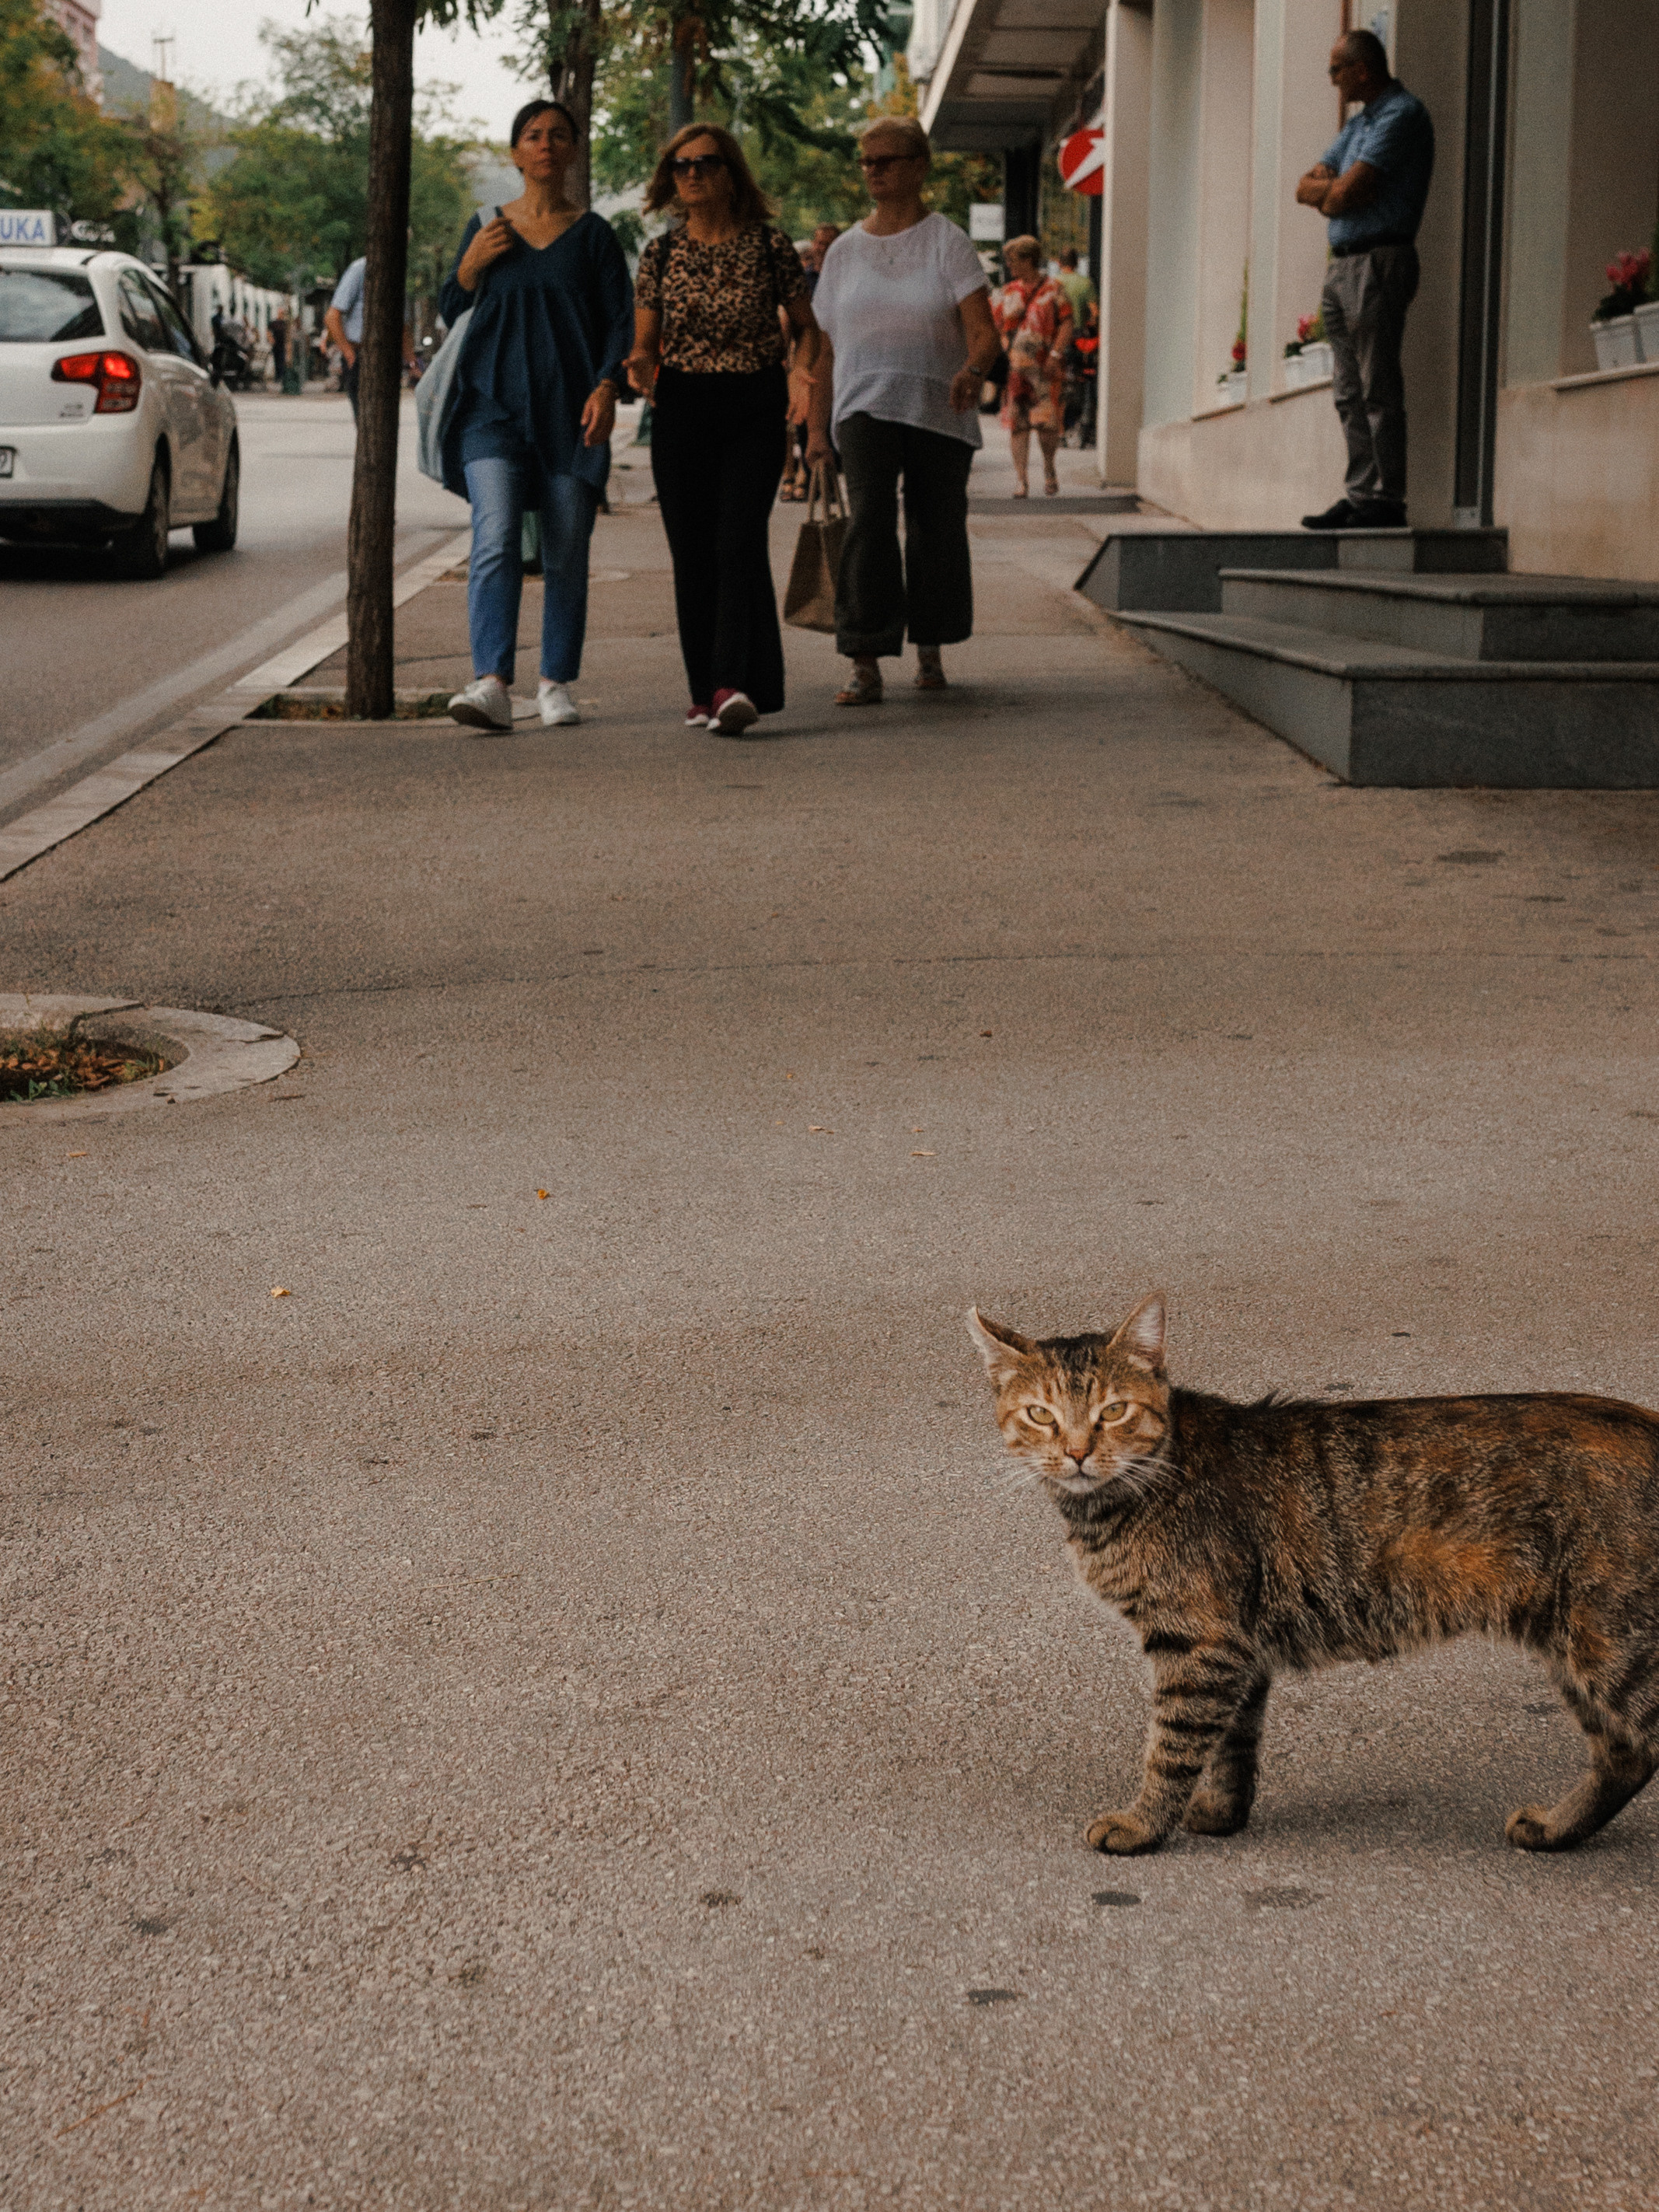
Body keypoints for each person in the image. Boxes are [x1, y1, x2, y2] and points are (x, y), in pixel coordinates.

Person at [435, 99, 633, 732]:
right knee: (493, 535)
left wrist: (606, 387)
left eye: (557, 136)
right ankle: (491, 680)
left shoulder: (595, 234)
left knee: (566, 546)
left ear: (572, 150)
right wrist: (469, 267)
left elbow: (620, 323)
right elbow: (450, 307)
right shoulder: (487, 224)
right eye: (532, 135)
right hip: (490, 408)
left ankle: (555, 680)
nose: (546, 144)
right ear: (515, 152)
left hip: (572, 414)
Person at [626, 123, 821, 737]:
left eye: (706, 163)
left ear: (731, 173)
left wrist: (802, 373)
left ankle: (732, 683)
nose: (692, 174)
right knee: (692, 550)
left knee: (737, 540)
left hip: (753, 401)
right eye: (681, 166)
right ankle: (706, 690)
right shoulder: (661, 254)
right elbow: (645, 341)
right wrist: (635, 363)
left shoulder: (769, 246)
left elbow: (809, 327)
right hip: (682, 403)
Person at [804, 117, 998, 707]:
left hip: (940, 404)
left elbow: (984, 334)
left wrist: (973, 370)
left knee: (935, 528)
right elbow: (824, 349)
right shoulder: (843, 252)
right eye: (866, 161)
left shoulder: (947, 241)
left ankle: (931, 648)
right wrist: (815, 429)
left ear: (919, 166)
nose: (874, 171)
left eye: (886, 160)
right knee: (868, 524)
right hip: (863, 404)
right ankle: (865, 658)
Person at [1295, 27, 1434, 530]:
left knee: (1377, 383)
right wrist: (1330, 191)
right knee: (1348, 389)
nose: (1332, 80)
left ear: (1362, 69)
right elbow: (1305, 186)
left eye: (1336, 70)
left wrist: (1330, 192)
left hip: (1379, 260)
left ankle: (1387, 498)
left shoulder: (1402, 115)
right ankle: (1359, 495)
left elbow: (1345, 193)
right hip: (1345, 264)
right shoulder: (1359, 126)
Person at [994, 236, 1073, 499]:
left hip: (1045, 369)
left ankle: (1049, 468)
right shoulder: (1008, 292)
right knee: (1018, 425)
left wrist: (1055, 353)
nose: (1009, 265)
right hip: (1016, 370)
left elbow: (1066, 323)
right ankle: (1021, 480)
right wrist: (1003, 350)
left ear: (1028, 259)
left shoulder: (1054, 289)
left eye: (1013, 260)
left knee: (1047, 425)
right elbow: (997, 326)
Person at [325, 255, 417, 425]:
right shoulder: (360, 269)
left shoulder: (397, 274)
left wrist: (413, 364)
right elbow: (332, 316)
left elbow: (403, 327)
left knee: (383, 422)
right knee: (366, 423)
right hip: (361, 354)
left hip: (388, 358)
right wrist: (350, 354)